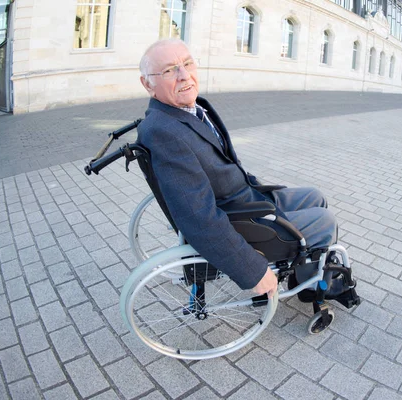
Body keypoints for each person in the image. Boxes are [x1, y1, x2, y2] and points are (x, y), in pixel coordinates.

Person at [136, 39, 338, 298]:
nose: (184, 75)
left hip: (247, 194)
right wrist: (251, 270)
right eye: (169, 70)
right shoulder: (164, 132)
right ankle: (311, 288)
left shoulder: (189, 110)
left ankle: (305, 270)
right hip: (240, 217)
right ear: (148, 84)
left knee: (315, 195)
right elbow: (197, 216)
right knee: (325, 221)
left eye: (187, 63)